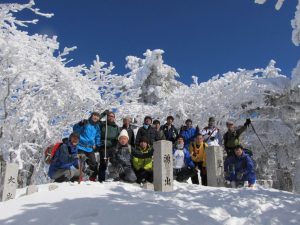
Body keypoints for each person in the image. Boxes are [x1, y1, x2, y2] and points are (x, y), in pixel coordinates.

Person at [73, 112, 101, 181]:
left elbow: (97, 136)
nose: (96, 117)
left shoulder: (96, 127)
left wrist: (98, 144)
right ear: (91, 116)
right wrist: (80, 124)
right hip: (80, 147)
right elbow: (75, 130)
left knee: (93, 164)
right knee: (81, 163)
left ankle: (92, 178)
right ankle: (79, 178)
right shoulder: (85, 123)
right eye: (94, 115)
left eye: (97, 117)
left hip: (90, 148)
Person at [98, 111, 120, 182]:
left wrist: (116, 146)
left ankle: (115, 176)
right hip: (103, 146)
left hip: (112, 146)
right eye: (109, 116)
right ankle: (101, 179)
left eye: (112, 116)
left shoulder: (116, 127)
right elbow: (97, 120)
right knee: (103, 163)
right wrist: (104, 114)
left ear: (114, 118)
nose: (111, 117)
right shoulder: (103, 124)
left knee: (114, 161)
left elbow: (118, 136)